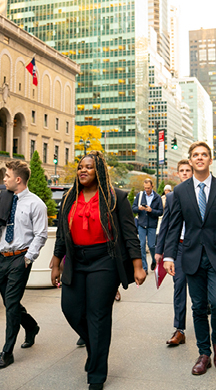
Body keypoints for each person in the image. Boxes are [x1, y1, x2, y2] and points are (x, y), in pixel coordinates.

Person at [50, 151, 146, 390]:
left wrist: (137, 265)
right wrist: (55, 263)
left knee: (98, 316)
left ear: (99, 171)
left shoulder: (116, 198)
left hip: (105, 260)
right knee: (71, 310)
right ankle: (95, 353)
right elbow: (62, 233)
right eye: (80, 167)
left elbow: (129, 234)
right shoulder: (70, 198)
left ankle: (96, 374)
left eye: (89, 167)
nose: (83, 170)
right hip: (75, 260)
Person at [163, 141, 216, 376]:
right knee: (198, 307)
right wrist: (168, 255)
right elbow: (173, 226)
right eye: (195, 155)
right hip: (191, 257)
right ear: (190, 160)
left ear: (210, 160)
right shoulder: (180, 192)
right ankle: (204, 353)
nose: (199, 158)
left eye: (204, 155)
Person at [0, 160, 48, 370]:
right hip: (3, 257)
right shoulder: (4, 199)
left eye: (7, 176)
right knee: (10, 302)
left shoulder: (36, 204)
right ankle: (31, 326)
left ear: (18, 179)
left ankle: (7, 353)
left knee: (11, 303)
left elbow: (41, 234)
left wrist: (28, 258)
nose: (4, 179)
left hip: (21, 258)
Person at [155, 159, 192, 346]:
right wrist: (159, 251)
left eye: (188, 170)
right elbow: (166, 225)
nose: (184, 173)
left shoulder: (200, 194)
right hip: (178, 248)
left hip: (198, 248)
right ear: (178, 173)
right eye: (182, 170)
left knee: (198, 290)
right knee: (179, 287)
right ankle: (180, 329)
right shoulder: (171, 197)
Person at [132, 178, 163, 273]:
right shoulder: (140, 195)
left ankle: (154, 261)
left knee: (152, 245)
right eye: (145, 188)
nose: (147, 190)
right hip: (141, 224)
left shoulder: (157, 197)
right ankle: (144, 268)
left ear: (152, 186)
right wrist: (139, 208)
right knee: (141, 245)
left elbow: (161, 212)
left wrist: (151, 210)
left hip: (152, 225)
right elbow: (133, 208)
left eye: (148, 188)